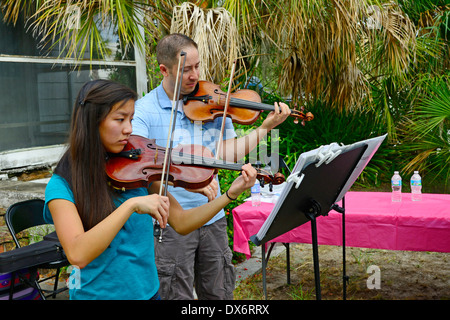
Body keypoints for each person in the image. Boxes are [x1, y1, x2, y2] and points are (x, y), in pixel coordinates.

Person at [43, 79, 257, 300]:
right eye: (120, 119)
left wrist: (230, 194)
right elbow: (78, 254)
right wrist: (131, 205)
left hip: (149, 294)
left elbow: (182, 222)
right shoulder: (62, 185)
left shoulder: (136, 172)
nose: (129, 129)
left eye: (131, 119)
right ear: (92, 122)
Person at [132, 33, 290, 299]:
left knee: (219, 294)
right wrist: (192, 180)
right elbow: (142, 165)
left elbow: (227, 155)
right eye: (186, 69)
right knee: (175, 295)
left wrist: (265, 128)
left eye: (197, 66)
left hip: (213, 218)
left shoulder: (213, 101)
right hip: (170, 223)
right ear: (164, 69)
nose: (195, 76)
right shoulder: (144, 111)